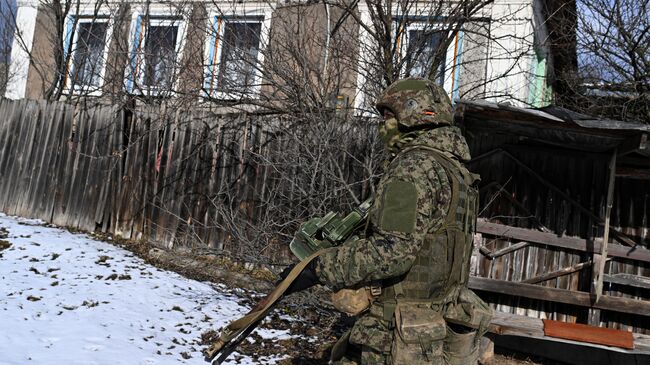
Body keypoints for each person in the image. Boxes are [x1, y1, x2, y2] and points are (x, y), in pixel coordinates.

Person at [281, 78, 492, 364]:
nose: (382, 125)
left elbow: (393, 252)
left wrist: (317, 267)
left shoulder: (412, 170)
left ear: (412, 115)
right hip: (432, 336)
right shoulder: (458, 174)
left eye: (387, 116)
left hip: (393, 337)